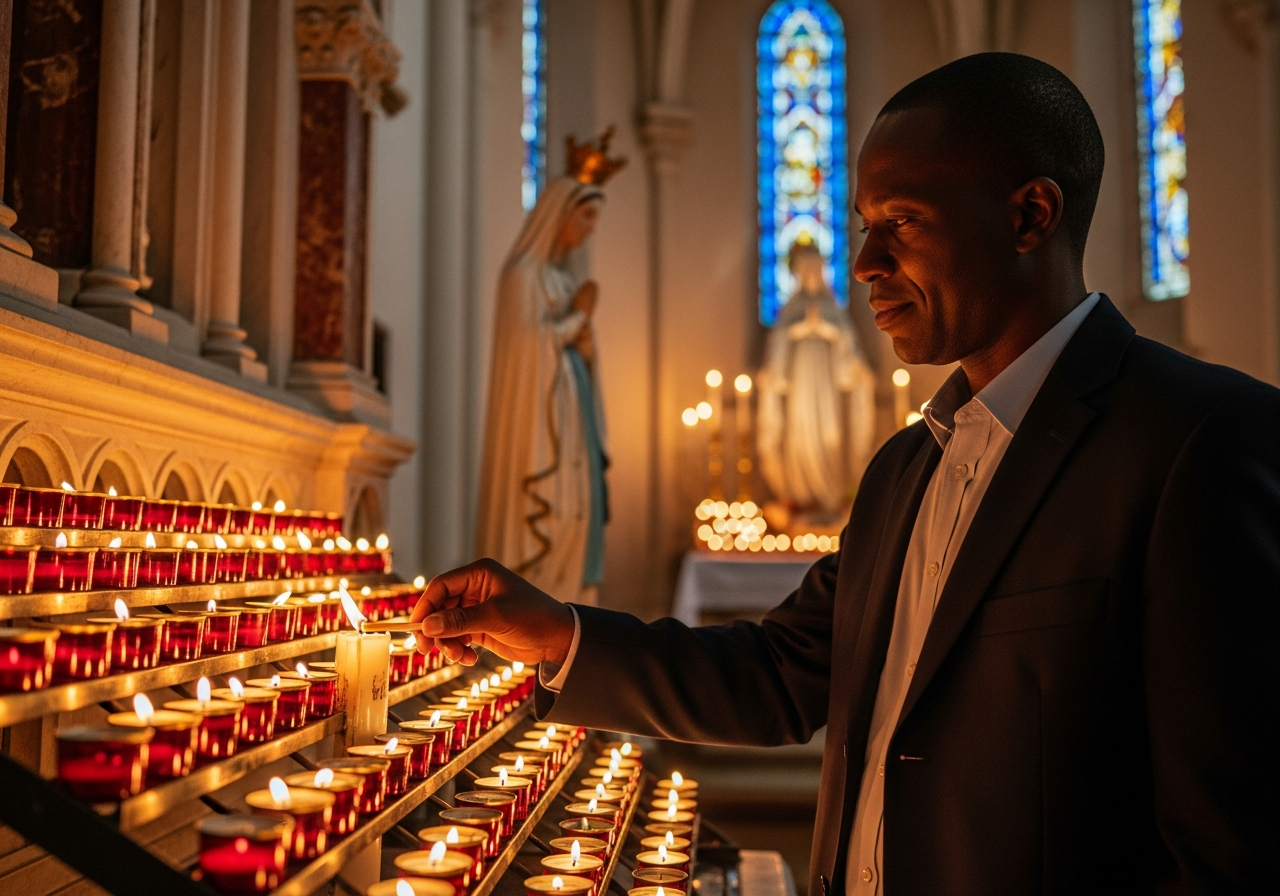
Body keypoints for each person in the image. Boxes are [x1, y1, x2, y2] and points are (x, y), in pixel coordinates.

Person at [415, 54, 1279, 895]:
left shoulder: (1198, 439)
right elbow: (780, 675)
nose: (864, 262)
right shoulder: (907, 465)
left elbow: (1232, 847)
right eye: (863, 223)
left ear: (1029, 217)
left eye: (900, 220)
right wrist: (558, 634)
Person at [474, 132, 625, 605]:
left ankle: (568, 630)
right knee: (553, 512)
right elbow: (529, 348)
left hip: (571, 418)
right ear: (559, 215)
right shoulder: (522, 275)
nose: (590, 230)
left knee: (579, 515)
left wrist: (584, 337)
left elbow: (574, 349)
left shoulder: (561, 278)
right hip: (539, 432)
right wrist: (579, 316)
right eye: (586, 217)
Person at [758, 239, 876, 516]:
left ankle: (830, 497)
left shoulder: (832, 310)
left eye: (815, 268)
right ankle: (800, 496)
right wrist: (801, 329)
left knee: (830, 434)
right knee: (799, 435)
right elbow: (778, 345)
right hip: (800, 382)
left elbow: (848, 345)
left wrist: (822, 328)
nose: (810, 274)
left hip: (826, 385)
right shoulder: (790, 309)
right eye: (805, 269)